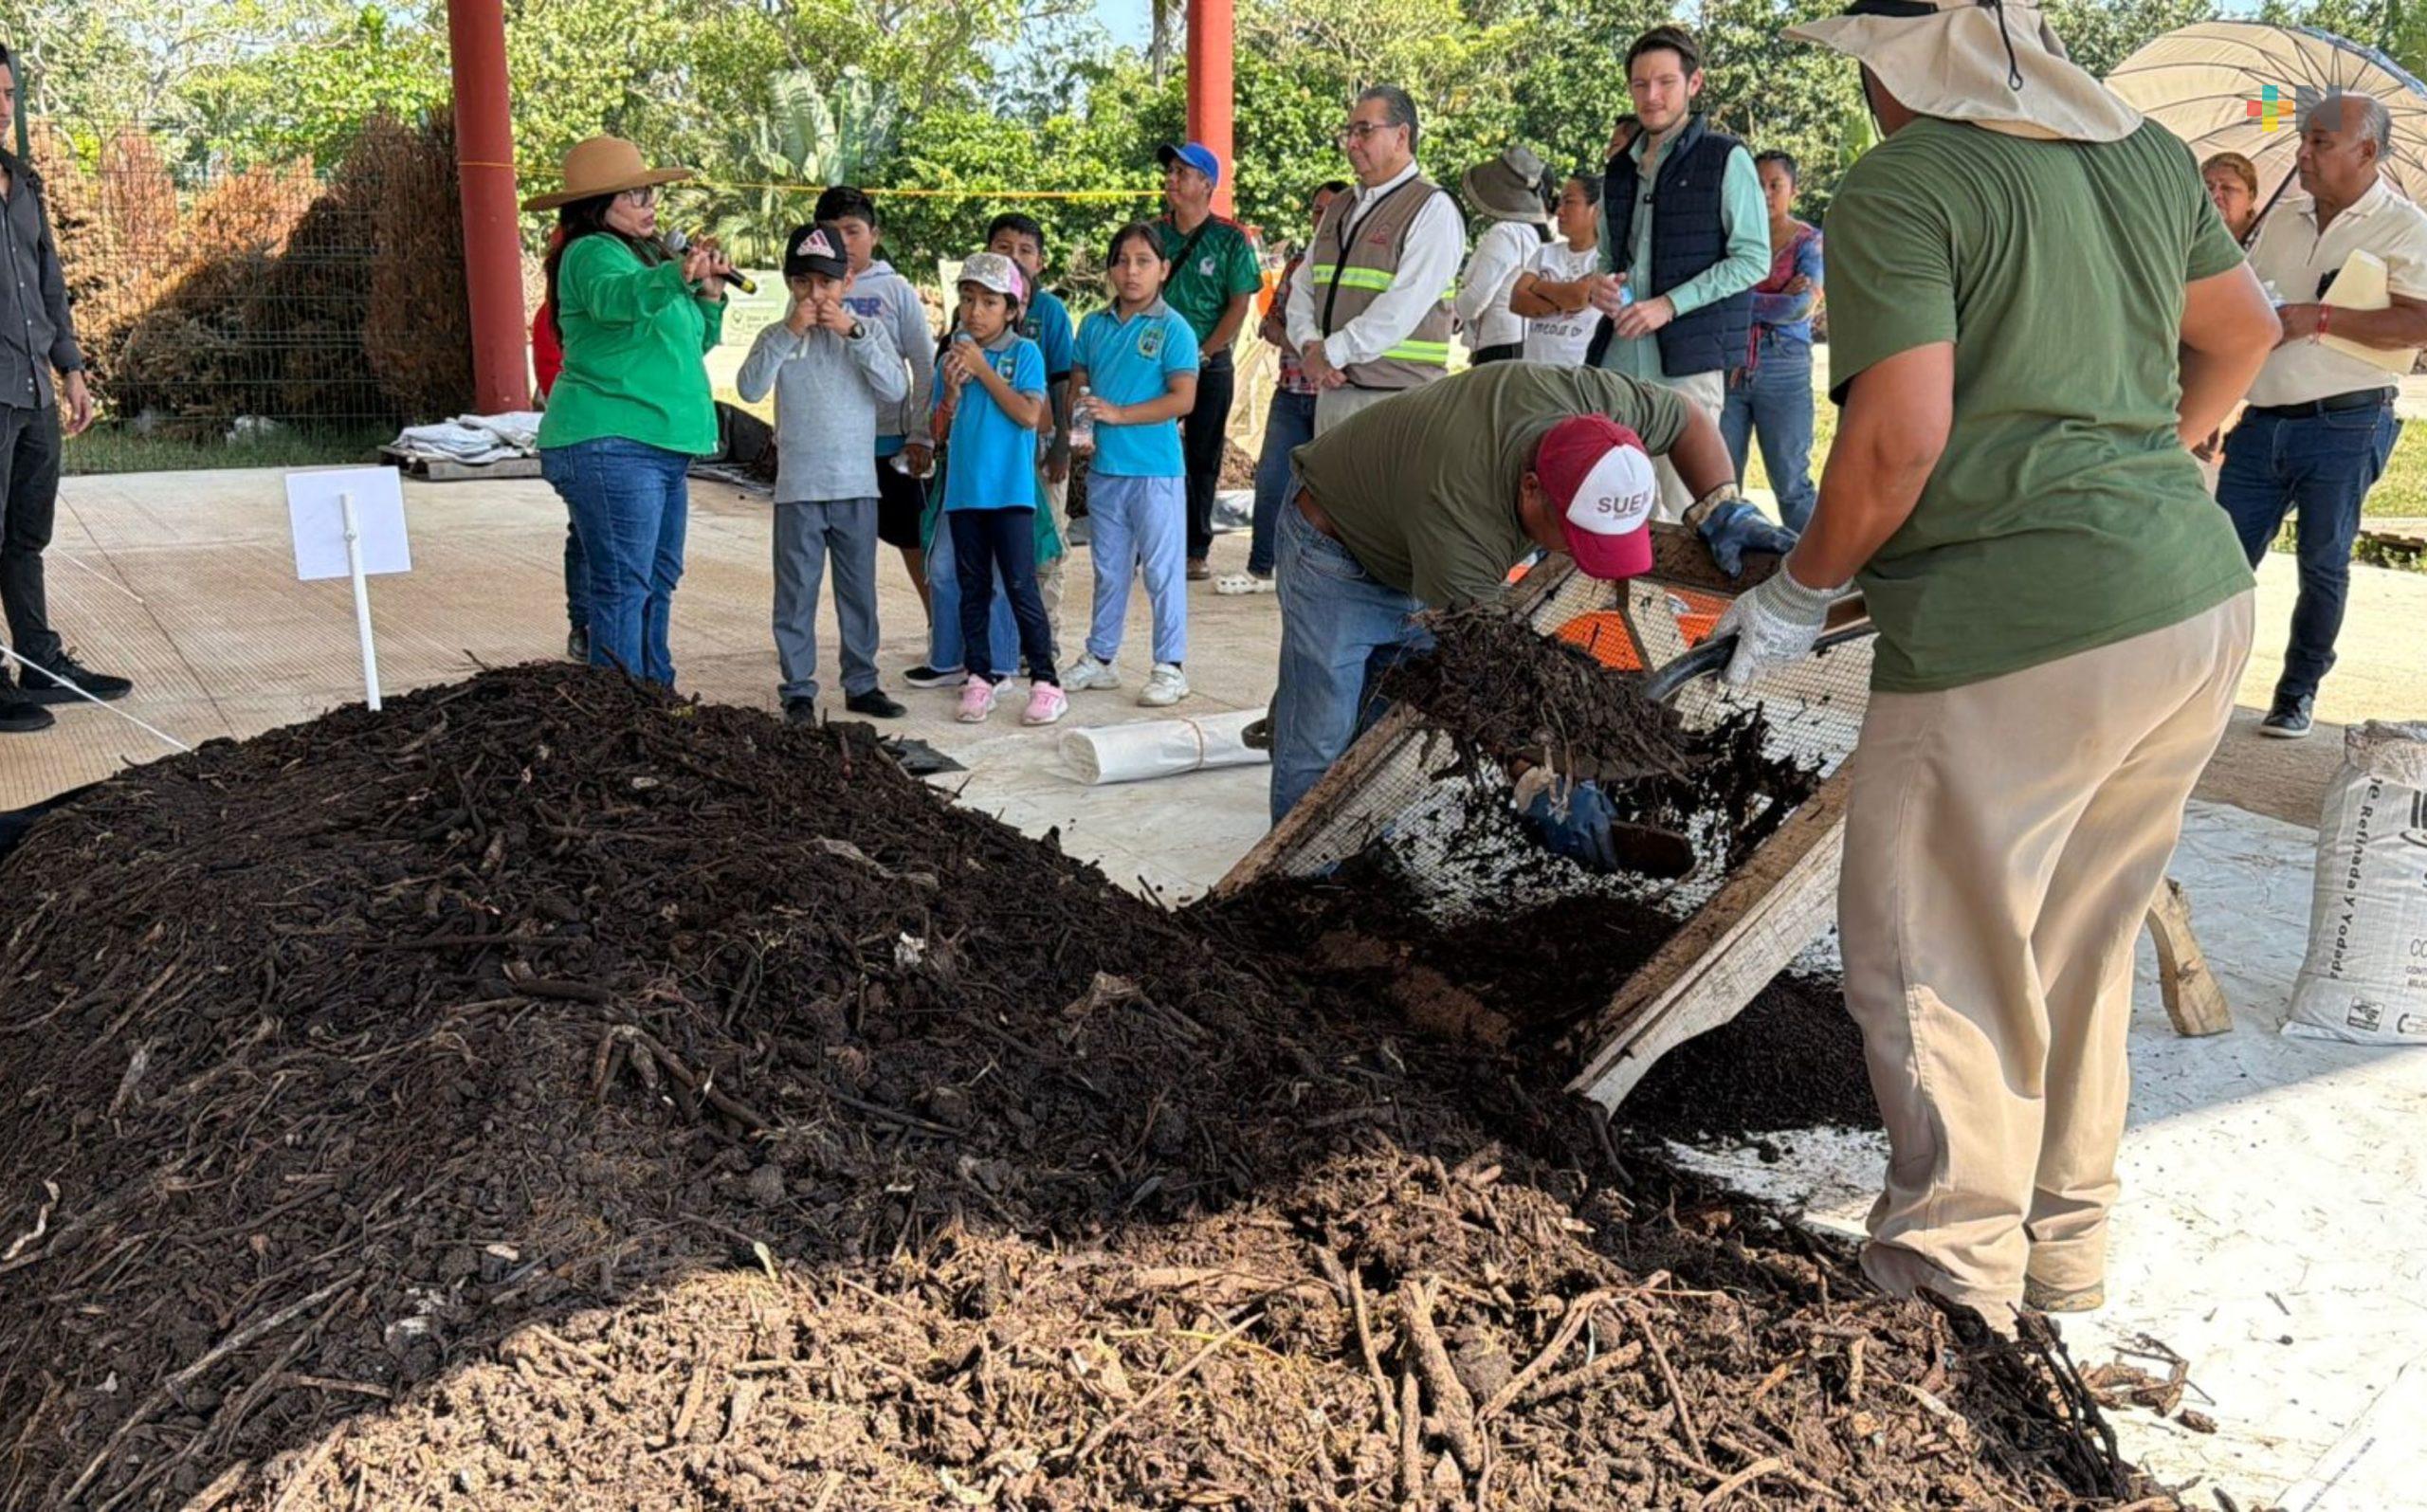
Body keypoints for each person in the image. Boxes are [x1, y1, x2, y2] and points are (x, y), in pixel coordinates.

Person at [1728, 0, 2279, 1326]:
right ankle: (2064, 1251)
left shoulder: (1907, 182)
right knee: (2076, 943)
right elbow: (2248, 332)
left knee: (1935, 956)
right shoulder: (2147, 152)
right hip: (2190, 601)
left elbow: (1898, 440)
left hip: (2015, 629)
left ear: (1898, 66)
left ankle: (1942, 1291)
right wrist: (2169, 457)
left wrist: (1797, 595)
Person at [1268, 361, 1788, 824]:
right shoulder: (1461, 517)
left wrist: (1720, 505)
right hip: (1337, 550)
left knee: (1380, 720)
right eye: (1576, 536)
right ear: (1532, 488)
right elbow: (1485, 671)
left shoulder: (1602, 418)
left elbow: (1688, 418)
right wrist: (1536, 777)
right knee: (1321, 736)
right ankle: (1298, 887)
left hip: (1414, 530)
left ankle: (1353, 842)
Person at [2216, 92, 2427, 739]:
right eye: (2304, 140)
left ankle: (2296, 692)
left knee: (2322, 561)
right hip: (2264, 417)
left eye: (2320, 142)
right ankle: (2199, 685)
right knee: (2215, 558)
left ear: (2367, 151)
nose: (2303, 153)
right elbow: (2249, 302)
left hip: (2349, 421)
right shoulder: (2280, 220)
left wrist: (2321, 317)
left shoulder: (2406, 226)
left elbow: (2418, 320)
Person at [527, 137, 734, 688]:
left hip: (657, 446)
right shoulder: (590, 252)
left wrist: (709, 295)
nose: (649, 204)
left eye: (650, 192)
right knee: (623, 583)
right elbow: (618, 300)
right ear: (598, 206)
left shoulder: (649, 261)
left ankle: (653, 694)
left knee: (656, 577)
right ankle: (622, 713)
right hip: (610, 441)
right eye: (635, 194)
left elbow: (690, 345)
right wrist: (677, 275)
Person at [1587, 26, 1769, 518]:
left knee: (1687, 512)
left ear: (1694, 83)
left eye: (1665, 82)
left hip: (1686, 366)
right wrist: (1600, 287)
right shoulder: (1619, 168)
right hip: (1617, 359)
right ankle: (1624, 599)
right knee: (1616, 507)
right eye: (1640, 84)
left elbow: (1753, 260)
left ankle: (1679, 601)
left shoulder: (1725, 157)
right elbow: (1607, 259)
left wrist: (1669, 305)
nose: (1651, 95)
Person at [0, 40, 128, 737]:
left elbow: (49, 285)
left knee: (26, 534)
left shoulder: (25, 185)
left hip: (34, 390)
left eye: (9, 96)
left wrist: (72, 368)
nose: (1, 108)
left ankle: (39, 663)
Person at [736, 223, 910, 725]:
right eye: (804, 283)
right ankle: (798, 689)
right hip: (798, 490)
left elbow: (895, 389)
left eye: (827, 284)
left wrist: (852, 333)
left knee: (859, 592)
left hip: (856, 486)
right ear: (790, 285)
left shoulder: (866, 333)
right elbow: (749, 389)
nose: (816, 295)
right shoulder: (778, 336)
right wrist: (789, 331)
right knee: (795, 594)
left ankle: (862, 682)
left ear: (847, 283)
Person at [1065, 224, 1201, 706]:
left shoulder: (1174, 328)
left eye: (1144, 261)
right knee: (1109, 570)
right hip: (1105, 471)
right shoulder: (1094, 325)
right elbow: (1079, 380)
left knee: (1162, 572)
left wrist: (1120, 415)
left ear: (1163, 269)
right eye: (1121, 260)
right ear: (1110, 269)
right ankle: (1101, 658)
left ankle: (1170, 666)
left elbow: (1183, 399)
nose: (1131, 271)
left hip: (1156, 471)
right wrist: (1081, 432)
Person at [1286, 85, 1468, 437]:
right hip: (1334, 391)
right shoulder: (1338, 207)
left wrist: (1331, 353)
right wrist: (1309, 345)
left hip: (1398, 400)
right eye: (1349, 132)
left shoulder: (1433, 208)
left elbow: (1403, 305)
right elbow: (1303, 286)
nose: (1352, 143)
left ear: (1402, 136)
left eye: (1365, 130)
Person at [936, 252, 1065, 726]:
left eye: (989, 302)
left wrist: (985, 370)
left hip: (1010, 493)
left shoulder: (1023, 354)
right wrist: (950, 394)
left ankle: (1047, 681)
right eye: (968, 299)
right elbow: (938, 429)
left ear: (1011, 309)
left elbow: (1030, 415)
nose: (975, 311)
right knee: (972, 588)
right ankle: (980, 677)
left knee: (1019, 585)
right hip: (965, 492)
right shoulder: (953, 355)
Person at [816, 186, 939, 623]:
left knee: (913, 541)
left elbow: (925, 365)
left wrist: (921, 434)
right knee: (849, 548)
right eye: (832, 233)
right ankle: (858, 641)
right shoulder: (811, 285)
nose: (844, 244)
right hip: (835, 446)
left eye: (853, 232)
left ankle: (940, 631)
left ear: (875, 234)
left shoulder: (896, 289)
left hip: (889, 442)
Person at [1154, 142, 1263, 581]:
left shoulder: (1230, 238)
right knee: (1152, 454)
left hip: (1209, 363)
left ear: (1207, 185)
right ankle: (1152, 540)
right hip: (1153, 362)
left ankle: (1195, 549)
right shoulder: (1151, 234)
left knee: (1203, 457)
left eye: (1183, 172)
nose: (1172, 179)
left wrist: (1205, 351)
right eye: (1170, 172)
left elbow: (1239, 305)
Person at [1719, 150, 1825, 531]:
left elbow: (1799, 308)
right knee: (1721, 484)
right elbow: (1717, 298)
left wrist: (1738, 299)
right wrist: (1774, 296)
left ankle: (1815, 582)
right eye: (1756, 184)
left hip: (1784, 366)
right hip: (1729, 363)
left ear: (1793, 191)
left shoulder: (1810, 241)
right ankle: (1721, 577)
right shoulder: (1732, 240)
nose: (1764, 192)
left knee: (1791, 483)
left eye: (1774, 185)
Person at [985, 212, 1076, 620]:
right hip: (993, 446)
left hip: (1041, 446)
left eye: (1026, 250)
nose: (1015, 258)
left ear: (1040, 262)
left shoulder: (1049, 311)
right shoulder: (976, 308)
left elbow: (1063, 384)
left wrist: (1061, 447)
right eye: (1004, 248)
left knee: (1046, 540)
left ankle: (1043, 634)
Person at [529, 227, 588, 665]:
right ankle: (583, 623)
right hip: (585, 439)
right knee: (585, 535)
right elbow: (556, 385)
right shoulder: (550, 318)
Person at [1455, 146, 1553, 365]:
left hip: (1498, 347)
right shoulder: (1531, 234)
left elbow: (1478, 295)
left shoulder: (1508, 232)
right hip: (1516, 342)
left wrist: (1452, 313)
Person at [1510, 175, 1605, 367]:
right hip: (1533, 369)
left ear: (1596, 210)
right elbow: (1517, 301)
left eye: (1569, 202)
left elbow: (1579, 296)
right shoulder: (1544, 253)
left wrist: (1537, 286)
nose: (1559, 211)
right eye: (1559, 203)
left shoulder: (1606, 259)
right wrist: (1565, 297)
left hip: (1575, 374)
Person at [2201, 151, 2261, 246]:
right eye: (2208, 188)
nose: (2214, 195)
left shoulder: (2268, 242)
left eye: (2227, 188)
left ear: (2250, 198)